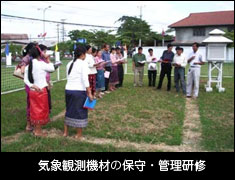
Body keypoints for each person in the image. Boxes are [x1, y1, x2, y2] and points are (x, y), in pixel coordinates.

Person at [24, 46, 55, 137]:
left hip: (33, 91)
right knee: (40, 111)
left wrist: (32, 85)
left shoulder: (28, 66)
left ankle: (36, 129)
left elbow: (26, 80)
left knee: (34, 110)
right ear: (40, 54)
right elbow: (52, 68)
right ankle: (38, 131)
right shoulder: (41, 64)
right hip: (41, 90)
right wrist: (48, 59)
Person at [64, 45, 93, 139]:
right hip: (78, 91)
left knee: (69, 110)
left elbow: (68, 77)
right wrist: (89, 93)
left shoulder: (69, 63)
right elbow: (85, 80)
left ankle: (65, 132)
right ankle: (78, 134)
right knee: (80, 112)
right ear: (83, 54)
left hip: (69, 89)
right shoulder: (83, 64)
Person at [18, 42, 36, 132]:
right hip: (29, 83)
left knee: (34, 103)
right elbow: (22, 70)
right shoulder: (27, 58)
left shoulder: (34, 58)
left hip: (35, 83)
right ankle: (28, 125)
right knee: (30, 103)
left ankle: (33, 122)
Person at [38, 44, 52, 113]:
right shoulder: (38, 60)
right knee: (43, 97)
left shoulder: (45, 59)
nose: (45, 53)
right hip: (41, 82)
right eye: (44, 51)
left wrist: (47, 59)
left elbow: (51, 68)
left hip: (47, 80)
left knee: (47, 96)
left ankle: (47, 110)